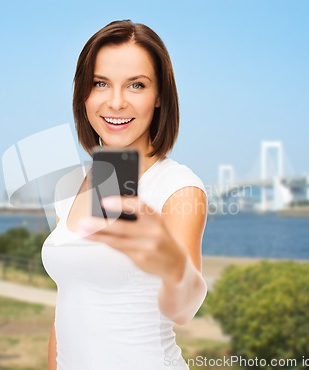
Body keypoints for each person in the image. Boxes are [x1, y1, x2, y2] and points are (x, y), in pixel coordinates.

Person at [42, 20, 208, 370]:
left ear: (159, 95)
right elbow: (67, 308)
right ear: (82, 93)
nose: (116, 102)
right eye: (100, 83)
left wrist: (171, 262)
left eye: (136, 85)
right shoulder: (68, 186)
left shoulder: (177, 187)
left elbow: (184, 309)